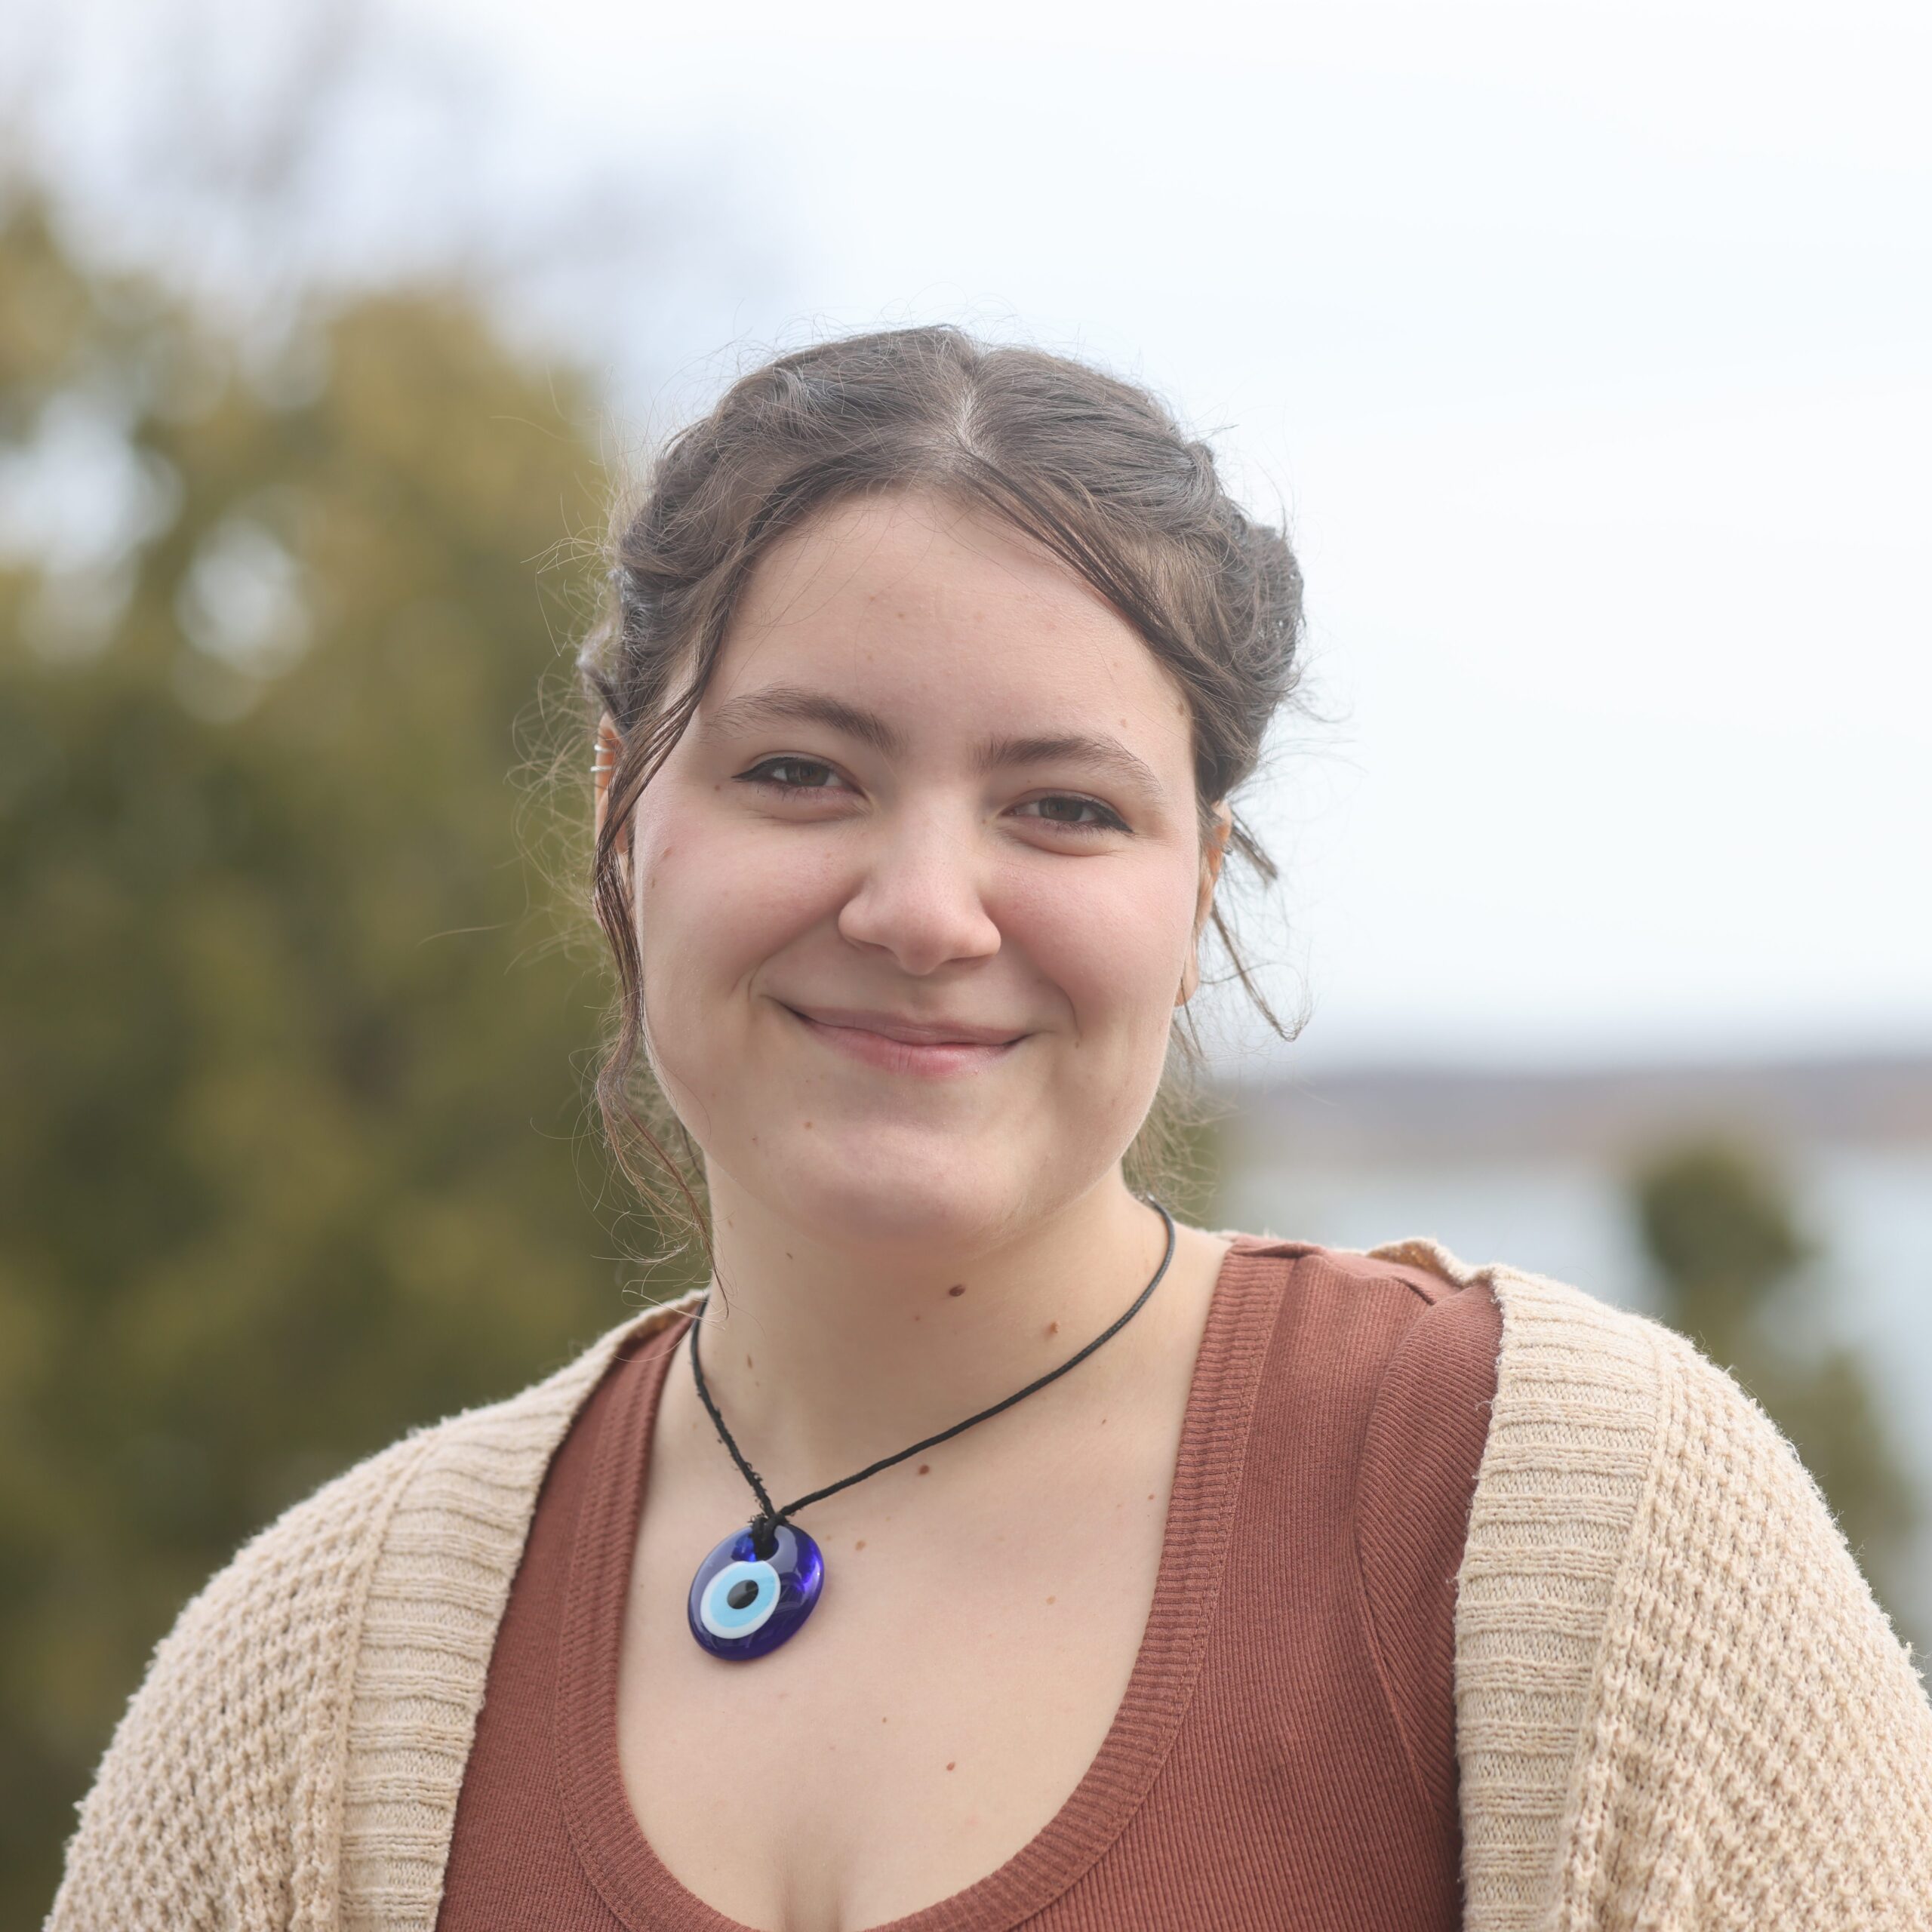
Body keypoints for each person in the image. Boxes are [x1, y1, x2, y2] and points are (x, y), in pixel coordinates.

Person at [47, 326, 1932, 1932]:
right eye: (802, 771)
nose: (925, 906)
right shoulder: (302, 1680)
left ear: (1197, 890)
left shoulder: (1584, 1534)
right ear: (618, 811)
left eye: (1061, 807)